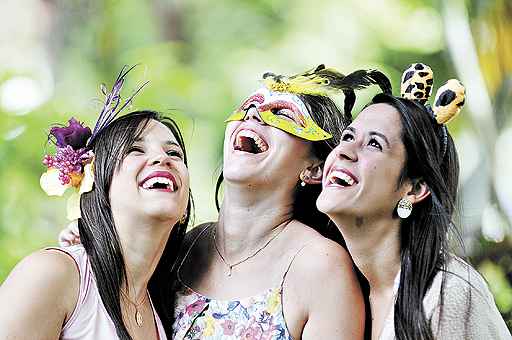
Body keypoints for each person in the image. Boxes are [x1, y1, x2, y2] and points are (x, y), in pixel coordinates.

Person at [172, 65, 389, 339]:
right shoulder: (184, 247)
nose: (254, 114)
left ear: (314, 169)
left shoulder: (322, 267)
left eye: (283, 114)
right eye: (250, 105)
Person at [317, 63, 511, 339]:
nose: (345, 150)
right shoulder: (340, 291)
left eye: (374, 143)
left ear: (415, 189)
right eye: (348, 136)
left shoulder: (449, 293)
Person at [0, 67, 192, 340]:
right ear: (98, 185)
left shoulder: (167, 307)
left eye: (174, 152)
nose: (163, 158)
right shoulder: (54, 275)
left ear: (183, 209)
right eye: (135, 150)